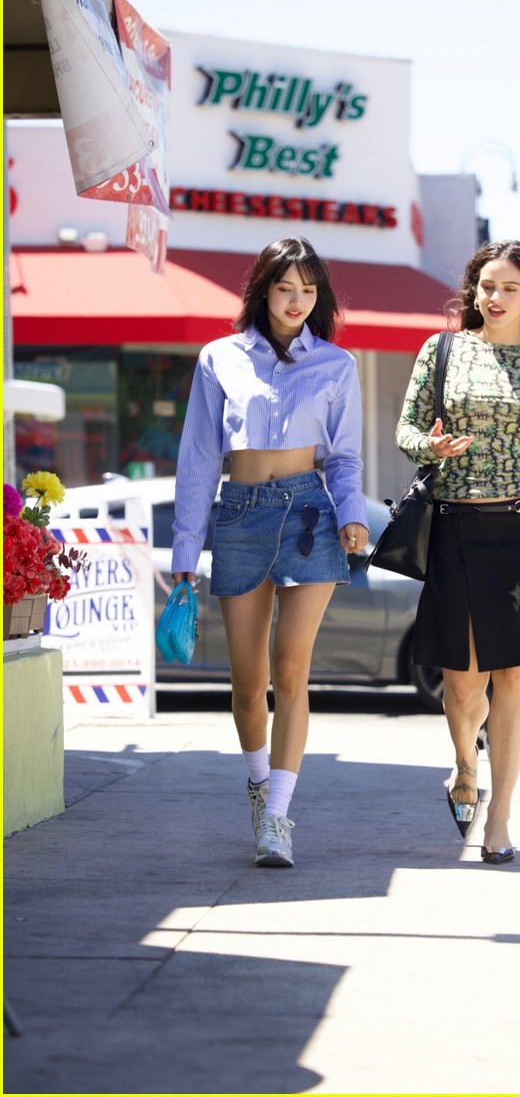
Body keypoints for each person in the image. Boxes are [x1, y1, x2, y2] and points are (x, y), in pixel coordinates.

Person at [171, 237, 369, 869]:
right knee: (247, 685)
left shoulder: (337, 364)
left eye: (309, 291)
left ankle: (278, 816)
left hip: (311, 514)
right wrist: (184, 551)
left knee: (291, 671)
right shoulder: (219, 358)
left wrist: (355, 517)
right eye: (286, 288)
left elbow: (344, 458)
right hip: (240, 515)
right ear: (263, 290)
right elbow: (200, 459)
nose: (297, 301)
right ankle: (259, 786)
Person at [396, 239, 520, 864]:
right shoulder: (442, 350)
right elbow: (405, 431)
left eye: (508, 287)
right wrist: (432, 447)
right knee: (462, 683)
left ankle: (499, 817)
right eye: (486, 285)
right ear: (473, 292)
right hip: (456, 525)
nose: (494, 297)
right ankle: (462, 764)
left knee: (517, 676)